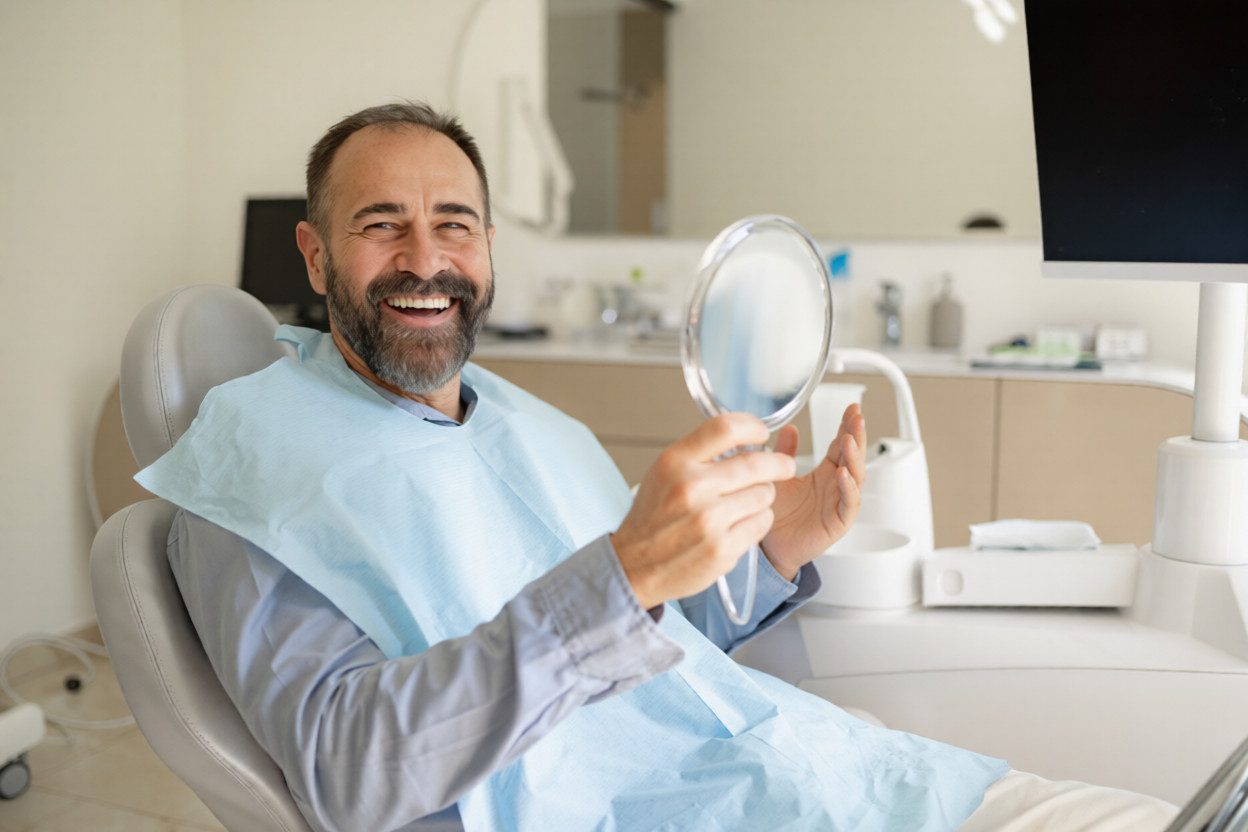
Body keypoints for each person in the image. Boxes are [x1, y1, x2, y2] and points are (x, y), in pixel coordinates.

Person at [138, 102, 1178, 831]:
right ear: (315, 256)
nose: (425, 257)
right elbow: (349, 774)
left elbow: (647, 643)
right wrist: (625, 571)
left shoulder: (525, 428)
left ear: (489, 250)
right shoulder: (249, 479)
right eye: (380, 225)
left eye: (453, 223)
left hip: (788, 774)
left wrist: (772, 552)